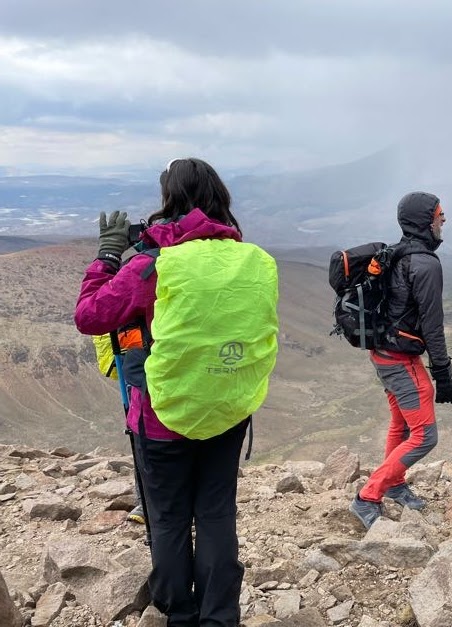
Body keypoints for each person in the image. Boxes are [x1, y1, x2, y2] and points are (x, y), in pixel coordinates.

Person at [75, 158, 276, 625]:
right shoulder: (255, 260)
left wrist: (107, 257)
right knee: (216, 514)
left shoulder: (153, 265)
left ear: (169, 198)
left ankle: (180, 616)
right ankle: (219, 617)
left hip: (160, 416)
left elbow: (90, 316)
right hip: (228, 408)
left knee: (167, 518)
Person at [349, 192, 452, 529]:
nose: (444, 219)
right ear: (426, 220)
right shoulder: (425, 264)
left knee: (402, 424)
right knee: (424, 435)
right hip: (400, 360)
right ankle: (367, 497)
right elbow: (432, 325)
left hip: (383, 353)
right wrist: (443, 374)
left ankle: (395, 484)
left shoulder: (397, 254)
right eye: (439, 214)